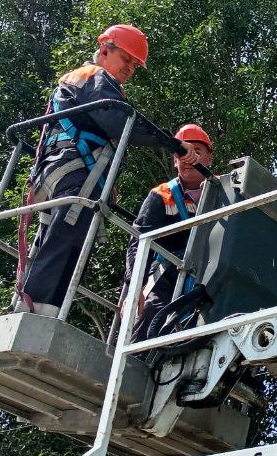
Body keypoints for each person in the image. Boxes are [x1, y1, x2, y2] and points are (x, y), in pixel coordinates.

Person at [16, 24, 187, 316]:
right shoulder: (95, 78)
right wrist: (174, 144)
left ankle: (36, 308)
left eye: (135, 65)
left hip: (61, 170)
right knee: (66, 240)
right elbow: (120, 122)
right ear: (105, 50)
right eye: (126, 59)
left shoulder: (84, 80)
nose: (130, 68)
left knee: (59, 241)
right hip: (74, 171)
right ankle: (36, 314)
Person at [125, 123, 214, 340]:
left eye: (196, 151)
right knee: (152, 313)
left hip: (208, 279)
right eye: (182, 153)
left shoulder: (223, 192)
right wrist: (134, 288)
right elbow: (139, 242)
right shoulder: (162, 195)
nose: (188, 158)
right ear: (175, 160)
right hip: (166, 276)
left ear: (209, 159)